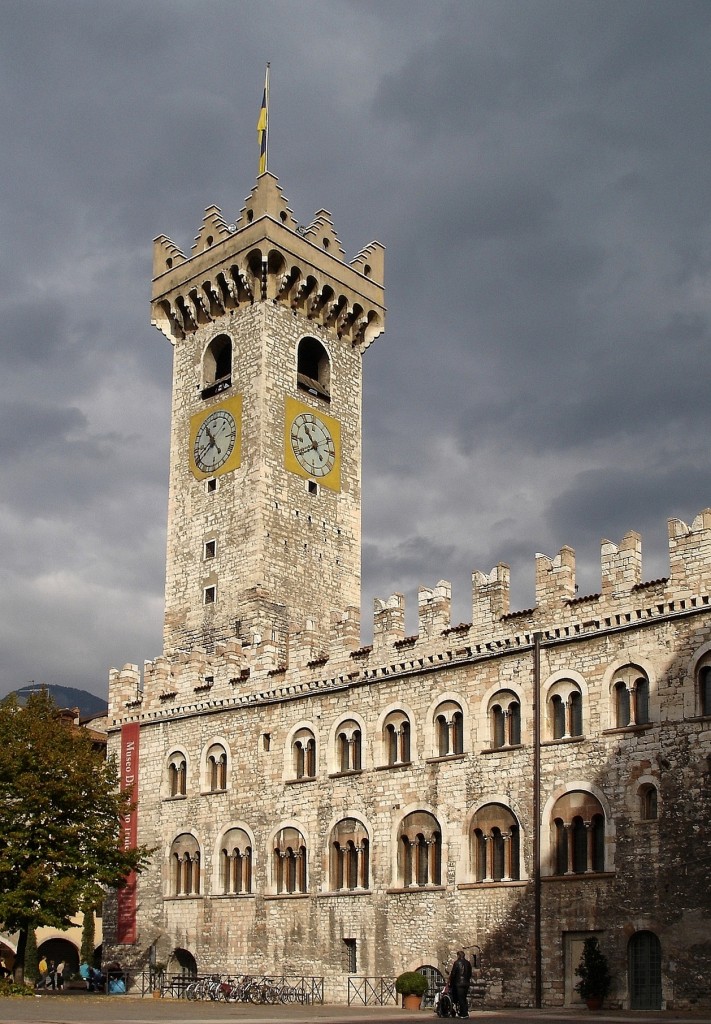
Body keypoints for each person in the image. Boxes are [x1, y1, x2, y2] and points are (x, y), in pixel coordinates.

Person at [449, 950, 472, 1019]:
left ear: (458, 956)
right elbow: (470, 973)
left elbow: (453, 974)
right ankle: (464, 1012)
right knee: (463, 998)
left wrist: (451, 982)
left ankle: (464, 1013)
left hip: (459, 983)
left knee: (460, 998)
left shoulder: (457, 963)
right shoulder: (468, 963)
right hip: (466, 983)